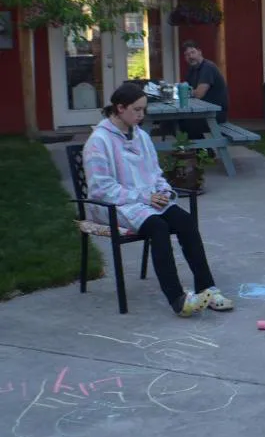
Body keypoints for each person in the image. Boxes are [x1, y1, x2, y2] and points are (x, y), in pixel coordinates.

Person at [82, 82, 234, 317]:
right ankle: (178, 300)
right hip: (113, 205)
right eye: (136, 110)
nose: (141, 115)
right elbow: (101, 188)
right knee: (158, 227)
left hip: (146, 201)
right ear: (120, 108)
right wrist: (144, 196)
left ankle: (207, 288)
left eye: (144, 110)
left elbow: (155, 174)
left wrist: (163, 192)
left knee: (184, 221)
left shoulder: (141, 136)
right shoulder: (99, 141)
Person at [180, 40, 229, 139]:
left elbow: (198, 94)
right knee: (173, 123)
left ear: (199, 52)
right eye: (187, 55)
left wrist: (185, 91)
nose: (190, 56)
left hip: (215, 115)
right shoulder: (192, 69)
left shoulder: (207, 67)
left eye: (193, 52)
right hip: (202, 112)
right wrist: (185, 91)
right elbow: (186, 89)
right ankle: (199, 147)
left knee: (182, 123)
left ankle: (201, 147)